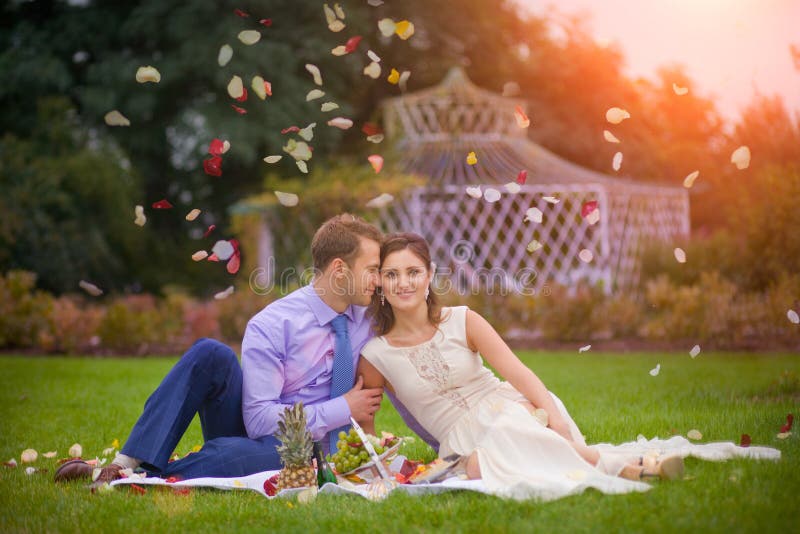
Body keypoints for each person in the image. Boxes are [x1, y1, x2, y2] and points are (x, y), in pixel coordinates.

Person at [356, 233, 780, 501]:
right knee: (483, 466)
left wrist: (555, 417)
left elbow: (517, 372)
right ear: (381, 285)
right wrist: (376, 465)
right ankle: (609, 464)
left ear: (429, 275)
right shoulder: (376, 354)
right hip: (460, 442)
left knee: (510, 428)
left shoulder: (463, 319)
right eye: (392, 275)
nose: (403, 283)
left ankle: (623, 469)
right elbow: (368, 425)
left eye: (413, 272)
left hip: (514, 410)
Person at [55, 214, 401, 484]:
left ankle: (145, 473)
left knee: (260, 455)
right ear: (340, 270)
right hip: (271, 437)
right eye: (372, 270)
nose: (379, 279)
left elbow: (420, 322)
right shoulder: (273, 325)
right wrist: (342, 408)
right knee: (212, 355)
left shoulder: (369, 315)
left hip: (308, 448)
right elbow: (260, 420)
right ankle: (124, 465)